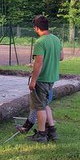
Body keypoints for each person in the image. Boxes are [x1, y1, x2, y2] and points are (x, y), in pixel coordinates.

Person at [26, 15, 63, 143]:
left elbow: (38, 63)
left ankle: (41, 134)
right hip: (52, 78)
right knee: (45, 104)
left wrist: (33, 81)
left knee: (39, 107)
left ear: (36, 28)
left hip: (42, 79)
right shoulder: (56, 39)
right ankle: (52, 130)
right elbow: (61, 57)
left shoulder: (40, 42)